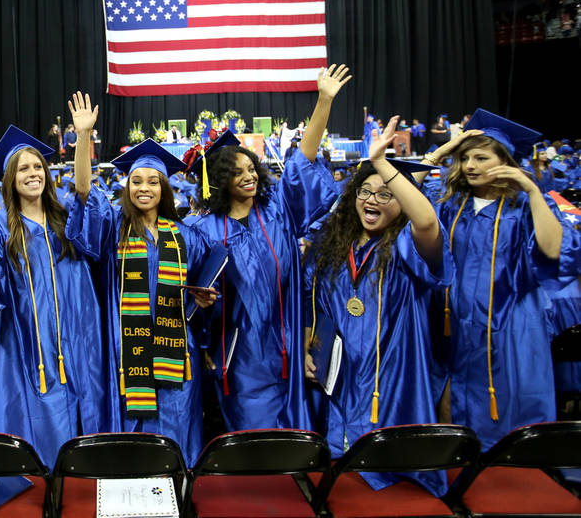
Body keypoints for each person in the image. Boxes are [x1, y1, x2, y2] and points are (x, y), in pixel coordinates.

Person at [185, 64, 349, 432]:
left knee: (290, 427)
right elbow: (191, 292)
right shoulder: (203, 229)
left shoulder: (278, 212)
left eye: (252, 168)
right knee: (252, 429)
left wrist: (323, 101)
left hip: (287, 340)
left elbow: (301, 163)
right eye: (238, 172)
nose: (249, 176)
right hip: (237, 348)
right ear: (222, 180)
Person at [0, 125, 113, 466]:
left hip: (80, 330)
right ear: (11, 179)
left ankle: (87, 478)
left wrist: (81, 139)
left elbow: (85, 197)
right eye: (23, 168)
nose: (33, 174)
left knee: (88, 400)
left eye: (37, 167)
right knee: (40, 411)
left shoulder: (65, 218)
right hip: (29, 336)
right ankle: (45, 480)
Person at [64, 92, 221, 465]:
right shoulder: (112, 229)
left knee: (177, 423)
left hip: (176, 353)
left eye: (153, 181)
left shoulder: (186, 235)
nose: (145, 188)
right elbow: (84, 193)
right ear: (127, 187)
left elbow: (202, 289)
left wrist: (204, 301)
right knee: (132, 425)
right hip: (127, 347)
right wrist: (84, 138)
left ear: (164, 188)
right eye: (137, 181)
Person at [305, 119, 453, 495]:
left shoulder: (406, 247)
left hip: (391, 374)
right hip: (338, 376)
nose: (371, 200)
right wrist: (310, 344)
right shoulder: (332, 249)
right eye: (365, 192)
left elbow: (427, 222)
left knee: (392, 487)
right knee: (338, 485)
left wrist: (382, 163)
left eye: (386, 194)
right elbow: (316, 305)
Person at [419, 109, 581, 448]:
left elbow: (554, 250)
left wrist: (534, 192)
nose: (470, 165)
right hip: (454, 326)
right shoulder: (451, 202)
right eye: (464, 158)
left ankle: (511, 485)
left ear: (505, 161)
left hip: (510, 325)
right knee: (450, 407)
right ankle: (461, 481)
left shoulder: (524, 206)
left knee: (511, 408)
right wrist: (446, 149)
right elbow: (406, 187)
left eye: (481, 157)